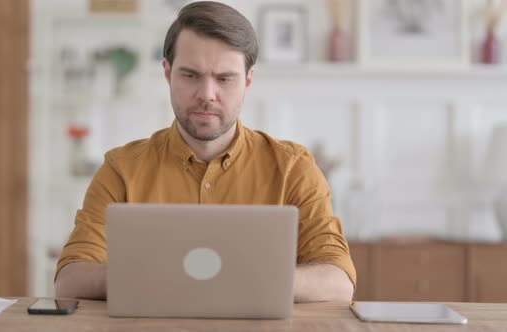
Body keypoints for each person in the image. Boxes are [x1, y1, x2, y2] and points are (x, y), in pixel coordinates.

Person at [55, 1, 355, 303]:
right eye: (190, 76)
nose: (207, 95)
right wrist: (172, 276)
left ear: (248, 80)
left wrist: (243, 278)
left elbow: (339, 281)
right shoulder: (121, 169)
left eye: (224, 78)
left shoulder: (294, 168)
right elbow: (70, 281)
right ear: (167, 73)